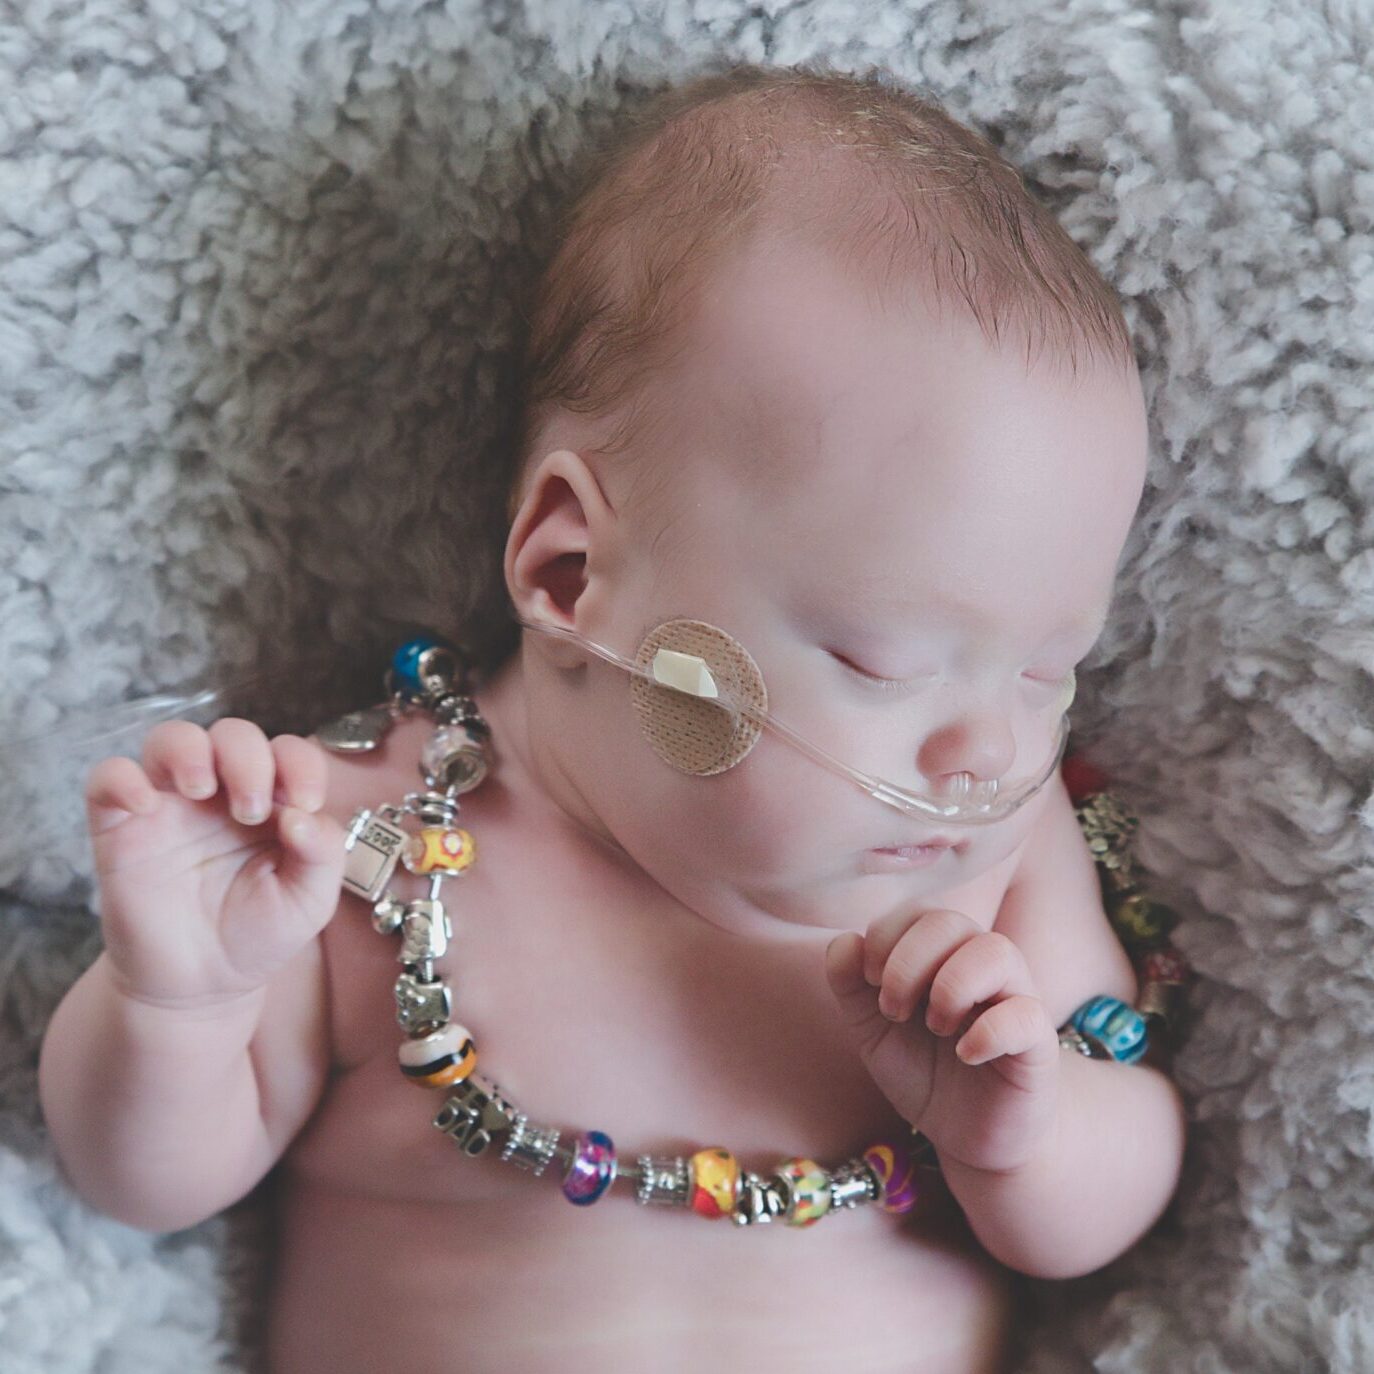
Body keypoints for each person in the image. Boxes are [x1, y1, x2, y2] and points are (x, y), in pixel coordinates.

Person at [37, 63, 1187, 1373]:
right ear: (570, 574)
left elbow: (1121, 1165)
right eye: (881, 661)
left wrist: (1023, 1136)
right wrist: (176, 1000)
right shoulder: (356, 849)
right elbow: (143, 1184)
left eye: (1046, 670)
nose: (983, 748)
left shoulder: (991, 884)